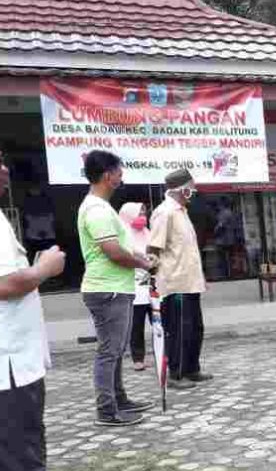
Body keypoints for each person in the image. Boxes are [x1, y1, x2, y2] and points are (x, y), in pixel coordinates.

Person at [0, 133, 110, 471]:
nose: (5, 169)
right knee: (19, 464)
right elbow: (2, 284)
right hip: (0, 364)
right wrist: (45, 269)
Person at [77, 150, 155, 426]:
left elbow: (121, 247)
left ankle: (119, 399)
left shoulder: (101, 207)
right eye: (119, 172)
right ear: (108, 175)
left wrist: (140, 257)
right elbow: (113, 251)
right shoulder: (96, 209)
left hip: (114, 288)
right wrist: (143, 264)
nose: (122, 178)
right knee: (109, 351)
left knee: (116, 348)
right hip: (107, 289)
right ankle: (107, 410)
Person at [149, 169, 211, 387]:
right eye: (191, 187)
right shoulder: (164, 212)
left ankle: (192, 368)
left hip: (190, 282)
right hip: (174, 284)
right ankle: (176, 374)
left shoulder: (181, 211)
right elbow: (153, 249)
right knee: (179, 331)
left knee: (195, 328)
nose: (193, 191)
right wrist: (154, 281)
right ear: (182, 189)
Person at [119, 202, 151, 371]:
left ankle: (164, 353)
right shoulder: (122, 234)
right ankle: (138, 358)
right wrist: (141, 256)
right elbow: (125, 252)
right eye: (139, 213)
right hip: (134, 286)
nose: (143, 216)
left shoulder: (147, 232)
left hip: (151, 284)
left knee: (160, 322)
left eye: (144, 212)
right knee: (136, 325)